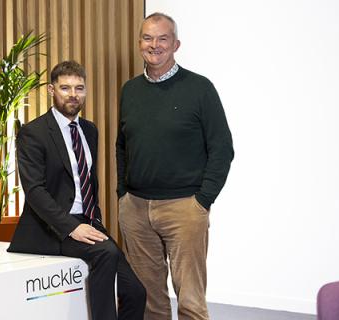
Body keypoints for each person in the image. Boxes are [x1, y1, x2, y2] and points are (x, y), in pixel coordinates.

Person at [116, 12, 234, 320]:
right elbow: (122, 145)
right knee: (148, 300)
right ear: (139, 42)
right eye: (147, 38)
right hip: (136, 210)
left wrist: (202, 201)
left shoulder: (200, 89)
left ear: (176, 44)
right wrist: (123, 194)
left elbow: (222, 148)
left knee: (191, 301)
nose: (154, 45)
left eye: (162, 38)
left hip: (184, 208)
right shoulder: (130, 91)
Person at [8, 60, 146, 320]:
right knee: (106, 253)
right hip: (51, 228)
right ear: (51, 90)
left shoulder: (89, 130)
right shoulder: (33, 132)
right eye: (65, 88)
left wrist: (92, 223)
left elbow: (87, 182)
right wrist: (72, 227)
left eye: (79, 88)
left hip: (88, 222)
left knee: (135, 292)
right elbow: (35, 190)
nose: (73, 95)